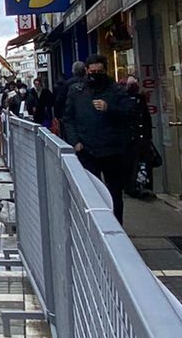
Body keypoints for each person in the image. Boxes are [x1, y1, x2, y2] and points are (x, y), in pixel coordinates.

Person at [61, 55, 138, 222]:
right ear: (87, 71)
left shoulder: (116, 90)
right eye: (92, 71)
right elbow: (68, 118)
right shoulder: (77, 91)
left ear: (106, 71)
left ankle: (117, 228)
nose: (95, 74)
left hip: (112, 150)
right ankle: (93, 228)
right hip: (87, 150)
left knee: (114, 193)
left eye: (99, 71)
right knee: (90, 192)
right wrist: (75, 142)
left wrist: (109, 108)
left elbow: (130, 113)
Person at [125, 76, 158, 199]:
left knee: (139, 162)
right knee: (138, 162)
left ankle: (140, 186)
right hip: (138, 138)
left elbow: (145, 119)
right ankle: (137, 186)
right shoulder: (136, 100)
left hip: (139, 138)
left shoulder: (137, 99)